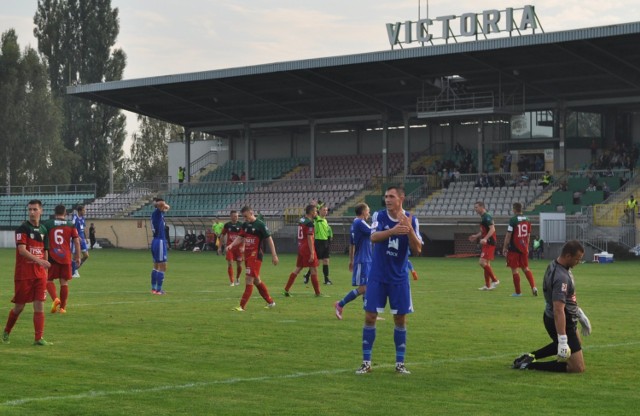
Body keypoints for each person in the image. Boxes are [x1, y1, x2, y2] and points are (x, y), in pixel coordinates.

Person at [356, 186, 422, 375]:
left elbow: (417, 250)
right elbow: (374, 237)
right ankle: (366, 362)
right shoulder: (379, 216)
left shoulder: (412, 220)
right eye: (386, 196)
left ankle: (400, 364)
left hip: (399, 278)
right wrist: (393, 230)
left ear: (401, 198)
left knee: (400, 319)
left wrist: (408, 229)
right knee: (370, 317)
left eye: (391, 196)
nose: (387, 199)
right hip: (377, 276)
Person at [512, 240, 591, 373]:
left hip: (566, 317)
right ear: (567, 256)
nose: (579, 262)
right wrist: (562, 339)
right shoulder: (561, 277)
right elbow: (558, 309)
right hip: (561, 320)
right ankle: (528, 366)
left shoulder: (556, 265)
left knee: (576, 343)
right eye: (577, 259)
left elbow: (568, 298)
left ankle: (531, 357)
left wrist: (580, 314)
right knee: (577, 367)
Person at [2, 199, 52, 346]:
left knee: (39, 305)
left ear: (41, 211)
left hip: (40, 275)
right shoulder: (23, 228)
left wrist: (46, 274)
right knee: (19, 307)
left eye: (35, 209)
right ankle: (6, 331)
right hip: (24, 274)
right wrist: (39, 261)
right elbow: (22, 250)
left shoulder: (43, 230)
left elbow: (45, 253)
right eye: (29, 209)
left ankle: (38, 338)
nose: (32, 212)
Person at [228, 206, 278, 311]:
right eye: (243, 217)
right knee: (256, 280)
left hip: (256, 255)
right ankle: (271, 302)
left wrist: (274, 255)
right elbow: (240, 237)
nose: (244, 219)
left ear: (251, 213)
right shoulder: (245, 225)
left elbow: (269, 239)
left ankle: (241, 306)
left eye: (245, 216)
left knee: (248, 279)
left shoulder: (260, 225)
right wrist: (232, 245)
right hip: (247, 255)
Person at [335, 203, 371, 320]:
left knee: (367, 287)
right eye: (368, 211)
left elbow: (352, 244)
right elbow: (374, 232)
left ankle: (369, 314)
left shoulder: (354, 224)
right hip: (363, 259)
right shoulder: (360, 223)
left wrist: (351, 260)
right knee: (363, 288)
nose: (369, 213)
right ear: (363, 212)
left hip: (364, 259)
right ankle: (340, 304)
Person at [43, 204, 82, 314]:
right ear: (65, 213)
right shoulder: (71, 225)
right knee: (64, 282)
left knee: (48, 279)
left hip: (52, 255)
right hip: (65, 257)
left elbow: (42, 238)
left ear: (55, 213)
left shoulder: (48, 224)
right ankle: (63, 308)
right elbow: (77, 241)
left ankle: (55, 299)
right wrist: (78, 257)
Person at [284, 204, 321, 297]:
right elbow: (309, 238)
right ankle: (317, 293)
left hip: (301, 247)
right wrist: (312, 253)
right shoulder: (309, 223)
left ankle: (286, 289)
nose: (316, 213)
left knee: (298, 268)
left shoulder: (302, 220)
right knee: (314, 269)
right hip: (307, 248)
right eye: (315, 211)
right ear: (312, 212)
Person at [502, 203, 538, 297]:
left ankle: (518, 292)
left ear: (514, 209)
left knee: (515, 270)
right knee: (526, 268)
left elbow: (509, 235)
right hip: (524, 247)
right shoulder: (528, 220)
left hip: (514, 248)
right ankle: (533, 287)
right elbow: (529, 235)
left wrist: (505, 247)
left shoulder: (513, 220)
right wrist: (527, 246)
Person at [468, 201, 500, 291]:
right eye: (475, 207)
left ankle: (495, 280)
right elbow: (483, 231)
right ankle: (487, 285)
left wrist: (485, 238)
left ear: (482, 207)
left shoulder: (487, 216)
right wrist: (476, 236)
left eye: (476, 207)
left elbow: (492, 229)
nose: (475, 209)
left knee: (482, 262)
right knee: (487, 264)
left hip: (489, 242)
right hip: (487, 242)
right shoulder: (483, 217)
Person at [303, 203, 333, 285]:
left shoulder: (325, 220)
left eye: (326, 210)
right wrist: (316, 204)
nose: (325, 212)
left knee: (326, 261)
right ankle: (307, 275)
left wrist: (329, 237)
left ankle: (326, 279)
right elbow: (313, 212)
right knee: (316, 262)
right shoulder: (316, 218)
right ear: (319, 211)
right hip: (318, 242)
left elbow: (328, 230)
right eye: (324, 210)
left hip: (325, 242)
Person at [218, 210, 244, 286]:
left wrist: (243, 246)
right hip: (230, 247)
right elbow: (222, 236)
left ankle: (238, 278)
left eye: (237, 216)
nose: (236, 217)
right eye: (234, 216)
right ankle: (232, 281)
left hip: (239, 248)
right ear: (231, 216)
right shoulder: (227, 225)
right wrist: (219, 247)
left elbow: (244, 237)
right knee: (230, 263)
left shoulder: (241, 225)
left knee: (239, 265)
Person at [150, 198, 170, 295]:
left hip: (155, 241)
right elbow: (162, 204)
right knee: (163, 266)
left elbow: (167, 208)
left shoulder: (157, 214)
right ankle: (159, 290)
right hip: (160, 241)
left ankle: (153, 288)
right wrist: (159, 204)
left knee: (156, 266)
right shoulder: (157, 213)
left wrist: (164, 206)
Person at [71, 205, 89, 278]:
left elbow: (83, 228)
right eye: (84, 210)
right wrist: (77, 237)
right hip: (76, 240)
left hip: (82, 240)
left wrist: (86, 238)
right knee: (76, 256)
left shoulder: (83, 218)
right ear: (80, 211)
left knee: (86, 256)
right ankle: (74, 271)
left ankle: (74, 269)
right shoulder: (75, 218)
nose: (85, 212)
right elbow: (72, 227)